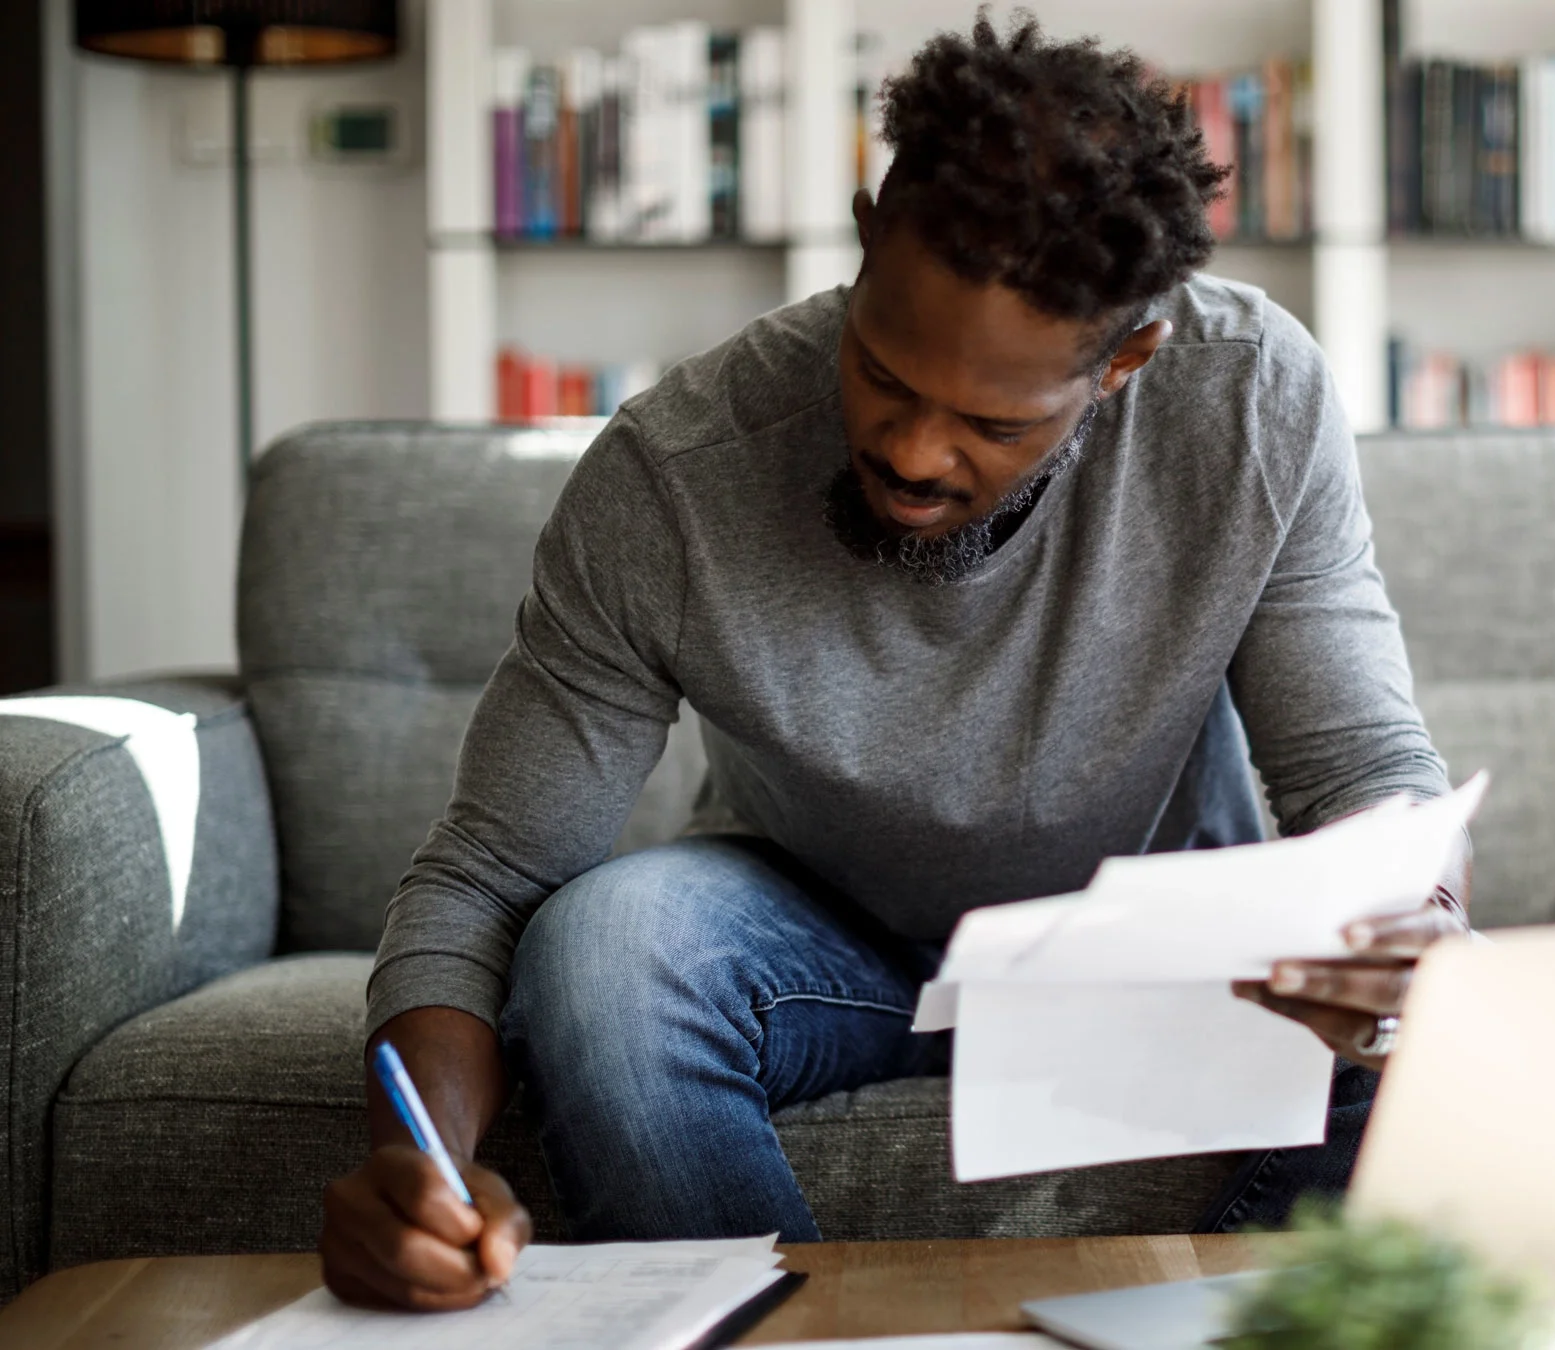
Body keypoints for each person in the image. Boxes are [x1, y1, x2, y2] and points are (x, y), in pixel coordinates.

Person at [317, 12, 1469, 1312]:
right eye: (882, 372)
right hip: (825, 944)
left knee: (1430, 1020)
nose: (916, 453)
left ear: (1125, 361)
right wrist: (418, 1162)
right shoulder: (671, 478)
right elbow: (487, 874)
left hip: (1158, 950)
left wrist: (1404, 928)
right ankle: (774, 1332)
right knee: (601, 945)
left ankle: (1229, 1326)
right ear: (866, 237)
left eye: (992, 421)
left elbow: (1367, 773)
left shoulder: (1250, 396)